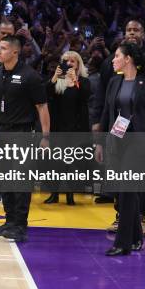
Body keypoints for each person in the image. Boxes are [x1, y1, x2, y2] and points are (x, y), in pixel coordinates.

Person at [92, 20, 145, 236]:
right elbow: (104, 103)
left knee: (142, 178)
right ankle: (123, 218)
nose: (131, 33)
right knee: (120, 178)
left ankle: (144, 217)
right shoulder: (113, 71)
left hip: (144, 135)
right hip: (118, 135)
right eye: (128, 30)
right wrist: (99, 133)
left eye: (136, 30)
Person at [0, 35, 50, 242]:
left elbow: (42, 107)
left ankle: (20, 225)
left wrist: (45, 136)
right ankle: (9, 221)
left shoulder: (30, 76)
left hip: (24, 132)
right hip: (3, 131)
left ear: (15, 52)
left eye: (4, 48)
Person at [44, 51, 90, 205]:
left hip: (76, 129)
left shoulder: (83, 81)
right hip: (58, 128)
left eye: (73, 61)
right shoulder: (58, 80)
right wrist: (55, 78)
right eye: (66, 61)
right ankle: (54, 194)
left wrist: (75, 80)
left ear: (78, 64)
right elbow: (45, 94)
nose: (69, 64)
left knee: (73, 165)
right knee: (56, 163)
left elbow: (85, 96)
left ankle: (70, 195)